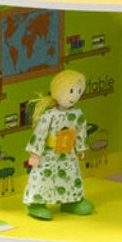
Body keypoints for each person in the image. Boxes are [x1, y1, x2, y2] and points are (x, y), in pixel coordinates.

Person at [23, 68, 92, 220]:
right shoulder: (49, 115)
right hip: (49, 154)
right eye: (71, 91)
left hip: (67, 153)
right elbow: (40, 133)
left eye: (78, 92)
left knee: (71, 175)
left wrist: (80, 147)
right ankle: (36, 204)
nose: (74, 96)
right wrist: (35, 154)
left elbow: (81, 130)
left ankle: (71, 201)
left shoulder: (77, 114)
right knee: (44, 177)